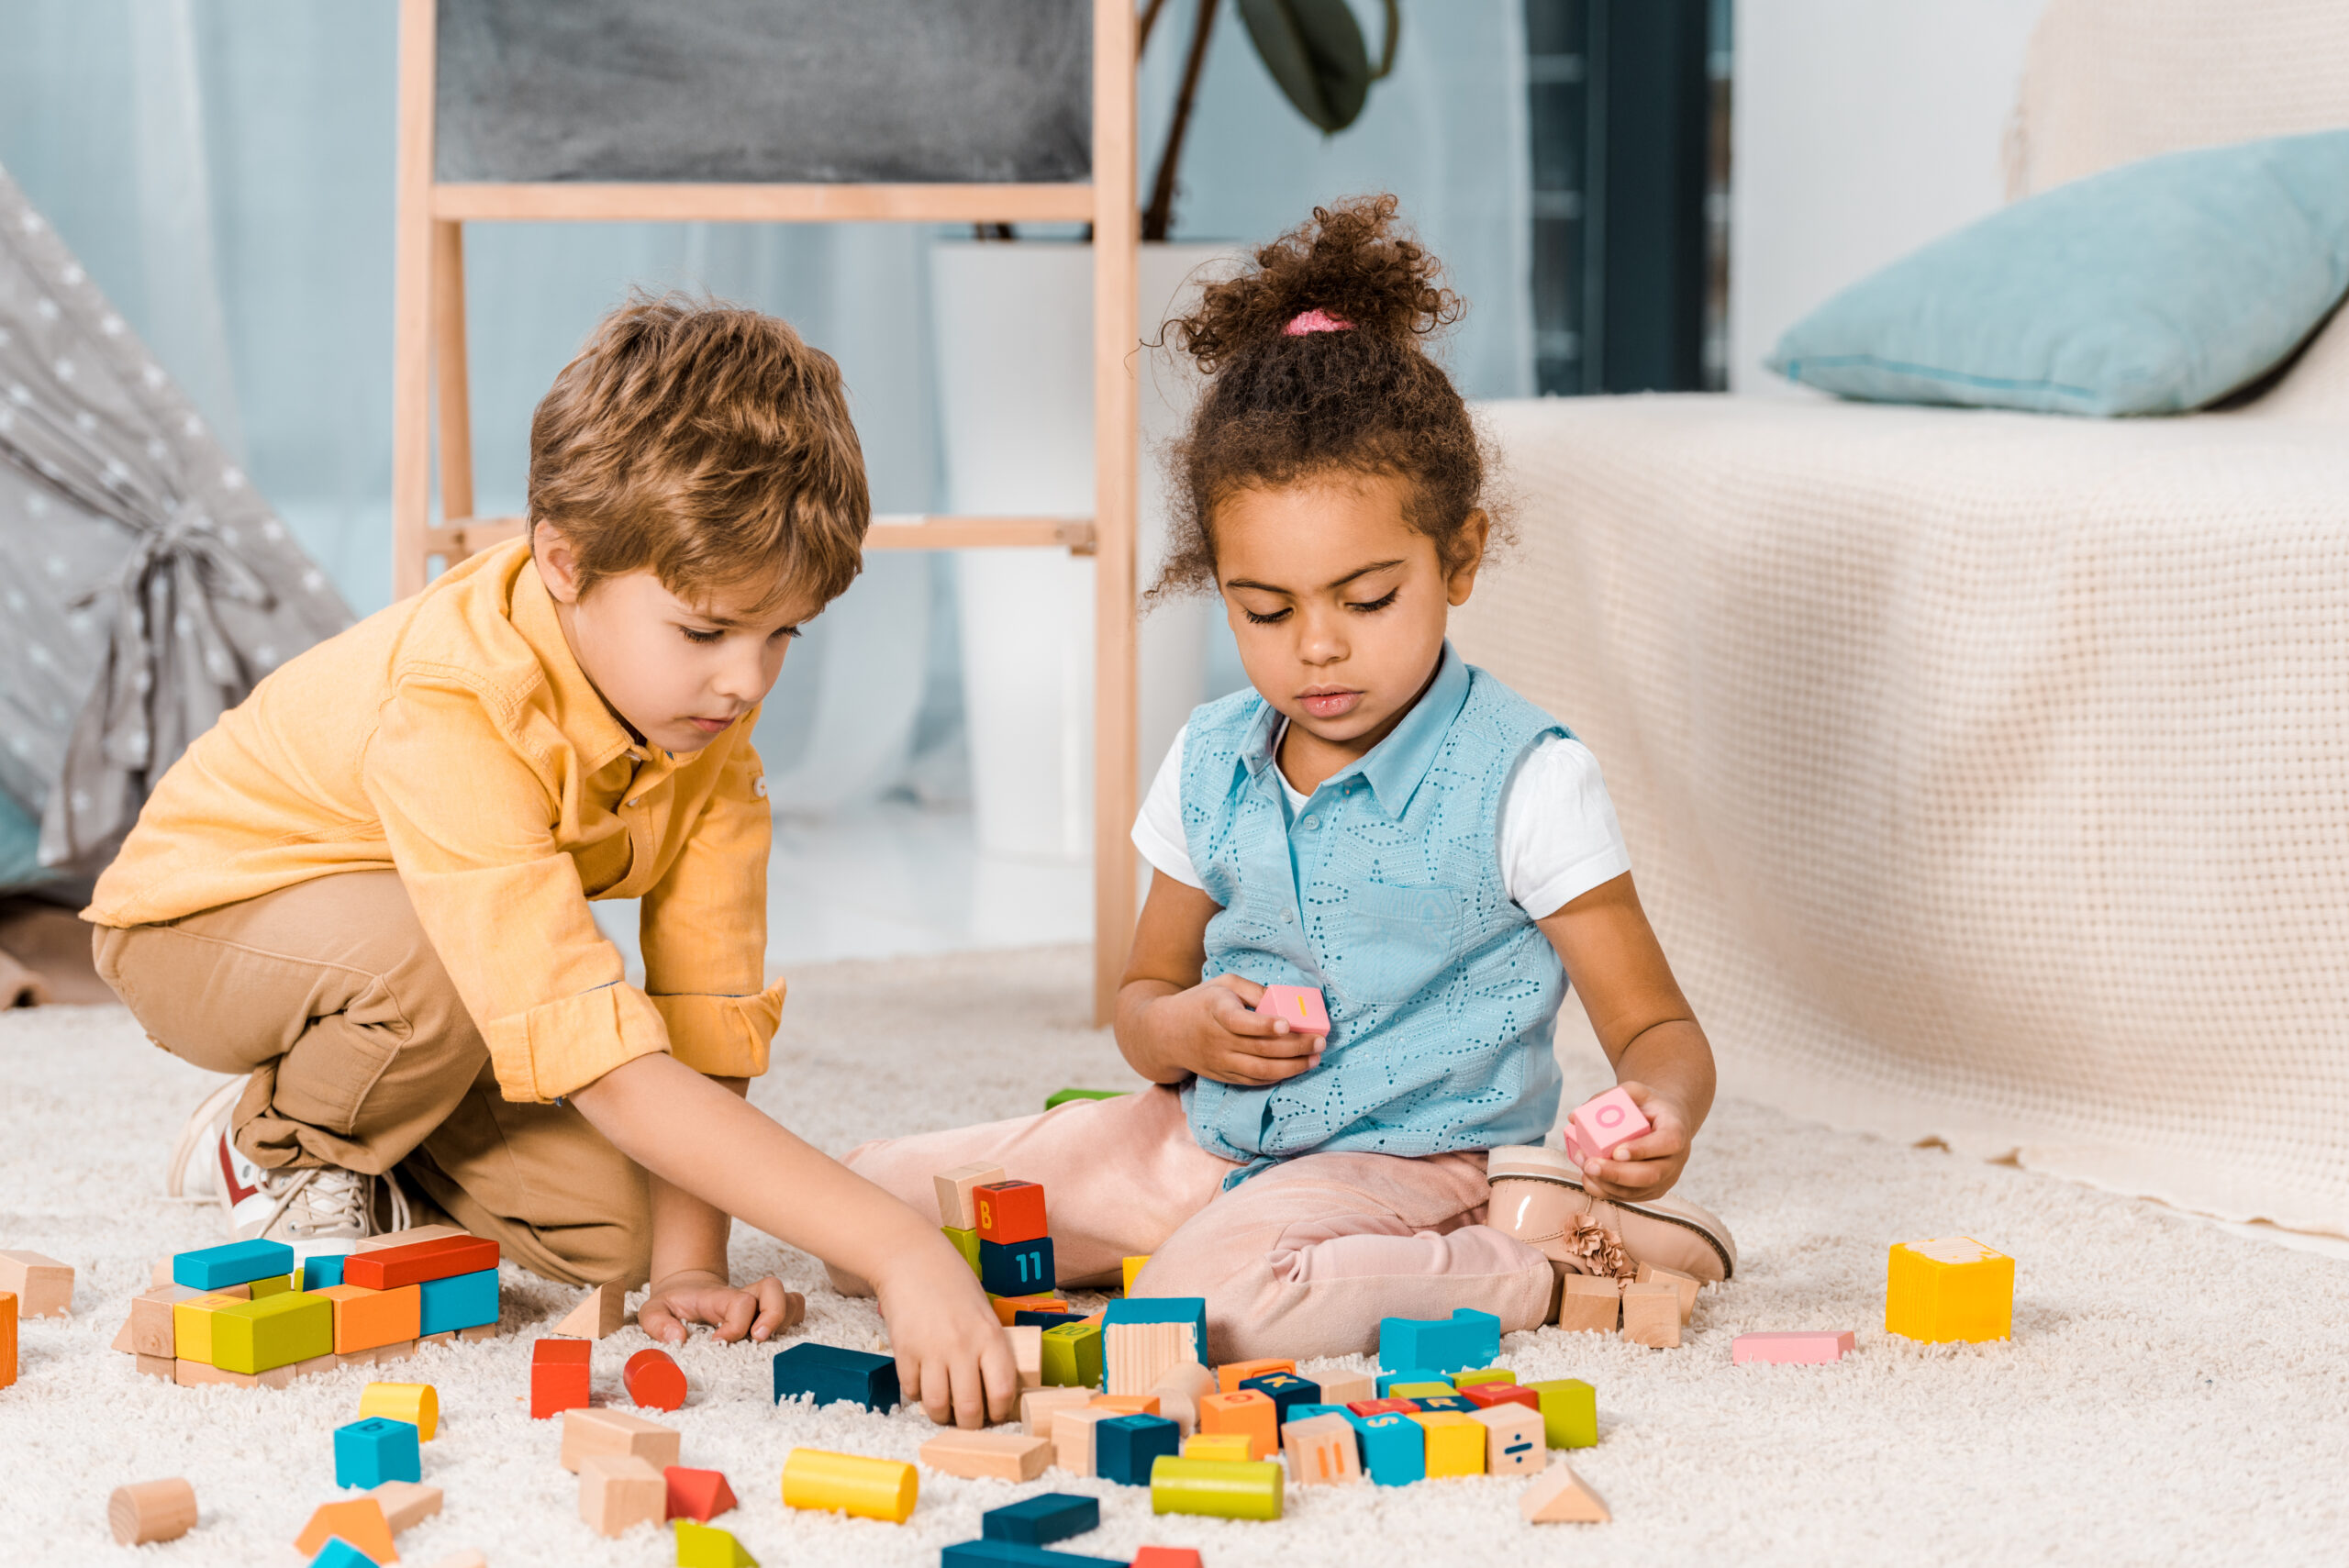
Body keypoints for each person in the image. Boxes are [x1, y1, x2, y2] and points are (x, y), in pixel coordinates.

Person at [835, 198, 1737, 1362]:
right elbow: (1140, 1003)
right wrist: (1185, 1031)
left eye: (1366, 600)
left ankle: (1546, 1257)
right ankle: (1214, 1232)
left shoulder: (1526, 778)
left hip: (1413, 1165)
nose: (1316, 646)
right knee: (863, 1209)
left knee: (1222, 1311)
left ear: (1456, 559)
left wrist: (1659, 1108)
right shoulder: (1212, 757)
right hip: (1202, 1136)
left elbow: (1657, 1025)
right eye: (1265, 609)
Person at [86, 295, 1016, 1425]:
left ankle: (397, 1129)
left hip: (444, 962)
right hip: (202, 924)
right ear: (564, 563)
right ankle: (269, 1137)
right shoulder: (455, 704)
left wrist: (684, 1266)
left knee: (631, 1228)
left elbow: (702, 1011)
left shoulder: (709, 725)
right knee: (425, 965)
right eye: (707, 631)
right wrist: (901, 1248)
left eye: (783, 633)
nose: (749, 680)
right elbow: (608, 1065)